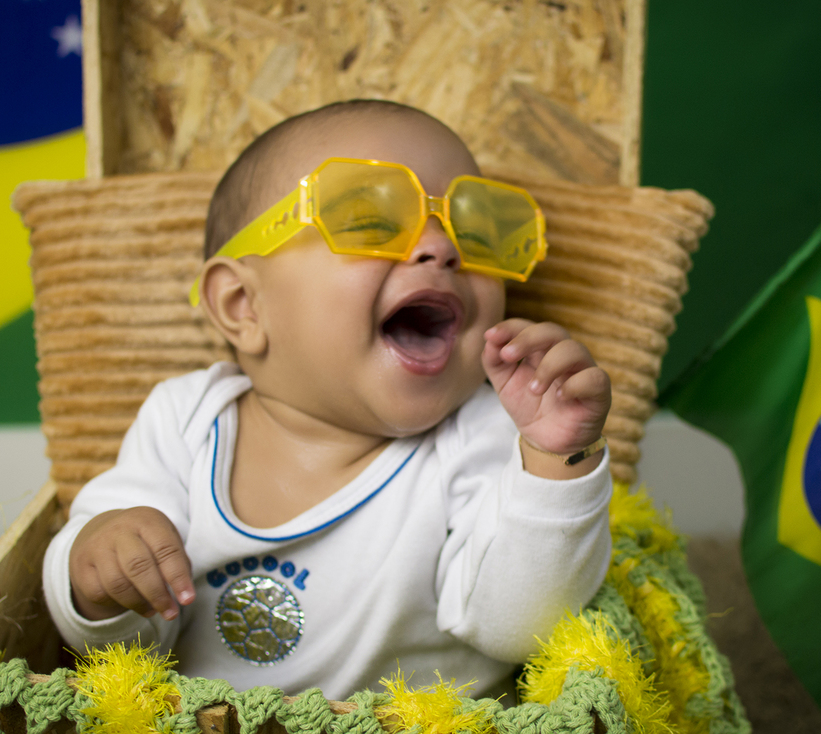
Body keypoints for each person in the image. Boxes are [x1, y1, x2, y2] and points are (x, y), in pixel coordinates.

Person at [42, 100, 614, 700]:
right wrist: (97, 572)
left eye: (474, 231)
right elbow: (125, 646)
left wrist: (555, 464)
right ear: (244, 305)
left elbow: (522, 630)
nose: (442, 250)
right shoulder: (186, 420)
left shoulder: (484, 434)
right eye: (371, 221)